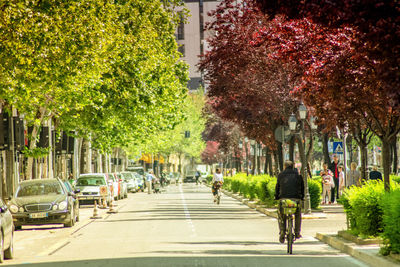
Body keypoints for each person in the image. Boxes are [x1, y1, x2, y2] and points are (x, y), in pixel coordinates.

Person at [275, 160, 304, 243]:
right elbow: (302, 187)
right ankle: (297, 232)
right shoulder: (298, 175)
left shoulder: (280, 175)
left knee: (281, 215)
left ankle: (282, 232)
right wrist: (302, 197)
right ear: (293, 167)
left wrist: (276, 197)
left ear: (284, 166)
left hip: (283, 199)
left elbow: (277, 188)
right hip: (296, 199)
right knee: (298, 214)